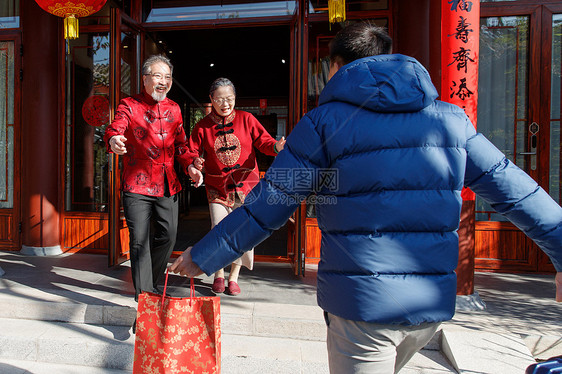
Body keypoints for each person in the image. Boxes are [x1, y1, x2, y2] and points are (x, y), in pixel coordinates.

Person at [169, 22, 562, 373]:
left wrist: (203, 256)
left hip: (363, 305)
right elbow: (517, 192)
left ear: (336, 67)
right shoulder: (452, 120)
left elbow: (271, 202)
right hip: (429, 306)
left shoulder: (324, 123)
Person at [104, 54, 203, 305]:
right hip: (136, 184)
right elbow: (116, 127)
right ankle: (146, 299)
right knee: (139, 241)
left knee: (168, 236)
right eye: (158, 76)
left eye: (168, 77)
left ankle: (151, 287)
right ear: (145, 78)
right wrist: (114, 140)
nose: (163, 81)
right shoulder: (128, 104)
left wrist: (191, 164)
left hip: (168, 183)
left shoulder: (175, 109)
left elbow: (180, 145)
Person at [187, 77, 285, 296]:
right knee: (218, 229)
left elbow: (265, 143)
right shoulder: (202, 126)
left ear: (235, 98)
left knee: (243, 233)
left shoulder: (247, 119)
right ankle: (219, 274)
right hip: (217, 188)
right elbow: (192, 151)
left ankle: (234, 277)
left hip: (247, 188)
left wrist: (277, 147)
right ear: (211, 99)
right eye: (220, 99)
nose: (225, 103)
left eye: (229, 98)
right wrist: (195, 162)